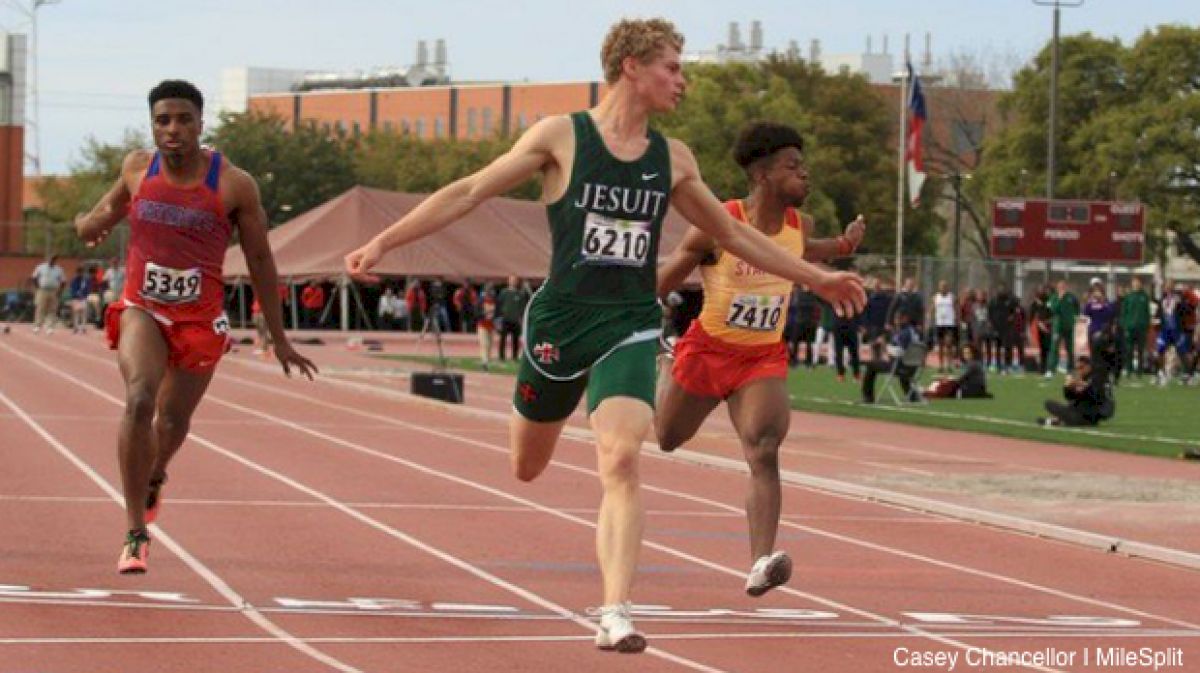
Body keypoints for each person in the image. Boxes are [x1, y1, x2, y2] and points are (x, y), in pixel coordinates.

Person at [344, 20, 865, 653]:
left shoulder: (672, 158)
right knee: (526, 467)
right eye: (672, 67)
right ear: (631, 68)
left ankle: (615, 610)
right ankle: (542, 423)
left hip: (629, 324)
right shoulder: (563, 136)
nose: (683, 79)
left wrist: (817, 276)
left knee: (621, 458)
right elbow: (469, 191)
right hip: (561, 322)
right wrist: (382, 242)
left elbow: (734, 237)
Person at [74, 80, 317, 575]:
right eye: (163, 120)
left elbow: (260, 259)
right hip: (143, 306)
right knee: (140, 399)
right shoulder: (138, 168)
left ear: (201, 124)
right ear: (153, 126)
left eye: (183, 119)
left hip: (201, 319)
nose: (173, 129)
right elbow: (105, 211)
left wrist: (280, 336)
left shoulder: (233, 185)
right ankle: (135, 531)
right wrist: (86, 224)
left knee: (172, 422)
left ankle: (156, 472)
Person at [654, 121, 866, 598]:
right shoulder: (716, 222)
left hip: (760, 358)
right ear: (762, 175)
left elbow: (805, 250)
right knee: (667, 438)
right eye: (794, 167)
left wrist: (844, 248)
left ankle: (760, 561)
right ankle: (665, 363)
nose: (805, 175)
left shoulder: (798, 225)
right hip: (707, 350)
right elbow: (667, 277)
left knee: (764, 448)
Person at [860, 312, 922, 404]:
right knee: (904, 373)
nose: (895, 321)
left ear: (905, 319)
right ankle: (913, 396)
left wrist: (885, 346)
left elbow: (898, 352)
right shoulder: (912, 332)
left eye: (897, 319)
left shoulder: (904, 333)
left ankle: (868, 397)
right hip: (912, 368)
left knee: (871, 365)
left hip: (898, 366)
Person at [1038, 355, 1114, 427]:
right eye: (1077, 368)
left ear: (1088, 366)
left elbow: (1095, 395)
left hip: (1094, 411)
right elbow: (1070, 398)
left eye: (1081, 367)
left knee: (1069, 410)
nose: (1079, 370)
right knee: (1049, 403)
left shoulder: (1097, 376)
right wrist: (1068, 387)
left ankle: (1059, 420)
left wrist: (1080, 384)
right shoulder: (1083, 377)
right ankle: (1056, 420)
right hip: (1082, 411)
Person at [924, 342, 990, 399]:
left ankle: (928, 392)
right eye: (964, 353)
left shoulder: (973, 364)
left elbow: (961, 378)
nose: (966, 355)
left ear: (973, 353)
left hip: (971, 389)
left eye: (968, 353)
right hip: (976, 388)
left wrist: (947, 379)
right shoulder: (975, 363)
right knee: (946, 385)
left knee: (946, 388)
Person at [1047, 279, 1079, 377]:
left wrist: (1074, 317)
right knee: (1054, 348)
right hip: (1058, 327)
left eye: (1063, 286)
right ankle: (1051, 370)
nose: (1062, 288)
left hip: (1069, 326)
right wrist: (1060, 299)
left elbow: (1077, 308)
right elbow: (1053, 309)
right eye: (1060, 287)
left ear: (1066, 287)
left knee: (1070, 349)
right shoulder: (1054, 297)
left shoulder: (1071, 297)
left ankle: (1070, 369)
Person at [1120, 277, 1151, 377]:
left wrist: (1147, 325)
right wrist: (1124, 326)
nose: (1136, 284)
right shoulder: (1128, 297)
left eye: (1138, 282)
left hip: (1141, 328)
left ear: (1141, 284)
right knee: (1129, 350)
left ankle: (1139, 372)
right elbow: (1124, 313)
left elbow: (1147, 313)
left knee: (1141, 350)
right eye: (1134, 282)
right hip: (1130, 327)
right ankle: (1129, 370)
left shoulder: (1145, 297)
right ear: (1132, 284)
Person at [30, 254, 65, 334]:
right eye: (50, 259)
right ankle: (37, 326)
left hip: (53, 290)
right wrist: (37, 287)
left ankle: (50, 327)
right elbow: (34, 277)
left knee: (52, 309)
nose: (51, 260)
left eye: (53, 259)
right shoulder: (40, 267)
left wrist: (60, 291)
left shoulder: (59, 269)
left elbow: (63, 281)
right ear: (47, 259)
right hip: (42, 289)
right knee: (40, 308)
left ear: (55, 260)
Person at [495, 275, 528, 361]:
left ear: (517, 282)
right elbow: (498, 305)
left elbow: (523, 307)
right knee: (503, 339)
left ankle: (515, 357)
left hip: (516, 321)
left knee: (515, 340)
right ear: (508, 281)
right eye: (511, 280)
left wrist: (522, 319)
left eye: (515, 280)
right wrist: (498, 318)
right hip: (505, 320)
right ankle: (501, 357)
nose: (513, 282)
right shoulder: (503, 293)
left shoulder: (520, 294)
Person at [930, 280, 957, 372]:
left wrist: (957, 319)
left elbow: (956, 308)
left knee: (948, 344)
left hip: (949, 323)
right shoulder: (935, 297)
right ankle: (941, 365)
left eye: (945, 286)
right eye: (942, 286)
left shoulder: (952, 297)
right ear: (939, 287)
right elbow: (932, 308)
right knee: (940, 345)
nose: (943, 288)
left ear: (947, 287)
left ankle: (949, 364)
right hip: (939, 323)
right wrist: (930, 317)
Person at [477, 283, 497, 369]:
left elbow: (498, 312)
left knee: (490, 345)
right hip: (482, 325)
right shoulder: (481, 301)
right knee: (484, 344)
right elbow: (476, 313)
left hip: (491, 326)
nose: (490, 292)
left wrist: (494, 317)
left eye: (491, 290)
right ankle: (484, 362)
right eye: (488, 290)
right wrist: (484, 314)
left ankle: (487, 360)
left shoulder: (494, 301)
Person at [68, 265, 92, 334]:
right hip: (75, 298)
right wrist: (76, 295)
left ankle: (83, 327)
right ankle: (76, 327)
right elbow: (72, 289)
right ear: (77, 272)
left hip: (83, 298)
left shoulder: (85, 280)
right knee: (76, 313)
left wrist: (84, 295)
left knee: (84, 313)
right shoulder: (74, 280)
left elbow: (88, 289)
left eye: (81, 272)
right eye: (79, 272)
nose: (80, 273)